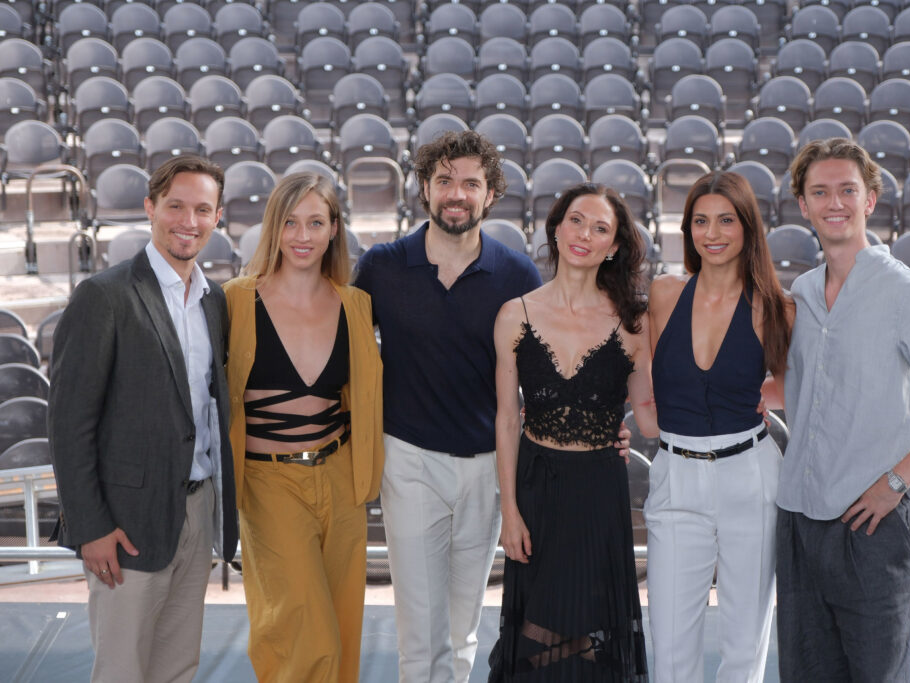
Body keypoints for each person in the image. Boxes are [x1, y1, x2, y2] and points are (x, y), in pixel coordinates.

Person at [775, 138, 910, 682]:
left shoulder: (904, 293)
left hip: (872, 524)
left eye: (847, 190)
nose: (834, 203)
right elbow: (802, 389)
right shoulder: (802, 291)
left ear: (870, 200)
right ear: (803, 205)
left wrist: (895, 482)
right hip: (800, 519)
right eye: (820, 192)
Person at [352, 130, 543, 683]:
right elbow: (344, 354)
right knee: (421, 631)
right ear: (425, 189)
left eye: (470, 183)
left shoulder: (517, 275)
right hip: (410, 461)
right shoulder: (383, 267)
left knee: (463, 631)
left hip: (487, 466)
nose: (456, 194)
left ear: (490, 194)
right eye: (444, 181)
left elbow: (542, 377)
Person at [47, 155, 237, 683]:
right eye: (176, 206)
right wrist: (90, 527)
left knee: (177, 668)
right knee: (122, 671)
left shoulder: (215, 301)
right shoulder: (103, 296)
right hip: (124, 524)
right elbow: (69, 424)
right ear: (150, 207)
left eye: (202, 210)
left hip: (196, 514)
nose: (189, 222)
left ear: (218, 217)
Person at [489, 182, 656, 681]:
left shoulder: (634, 322)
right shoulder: (514, 315)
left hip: (600, 492)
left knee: (594, 630)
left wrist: (745, 404)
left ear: (614, 246)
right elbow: (506, 419)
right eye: (576, 221)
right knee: (534, 632)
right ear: (557, 228)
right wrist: (509, 511)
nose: (585, 235)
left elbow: (649, 416)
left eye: (600, 228)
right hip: (536, 491)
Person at [223, 172, 383, 683]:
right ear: (274, 226)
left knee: (342, 631)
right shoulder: (234, 301)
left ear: (335, 229)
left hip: (341, 480)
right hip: (268, 482)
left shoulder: (355, 305)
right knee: (303, 639)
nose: (302, 235)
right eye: (290, 222)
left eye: (316, 222)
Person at [643, 171, 793, 683]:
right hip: (675, 474)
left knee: (745, 641)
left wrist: (763, 396)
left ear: (748, 226)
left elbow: (798, 387)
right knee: (669, 643)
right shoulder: (664, 294)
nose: (712, 233)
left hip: (749, 474)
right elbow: (646, 377)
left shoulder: (776, 306)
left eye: (726, 220)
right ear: (687, 229)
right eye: (700, 221)